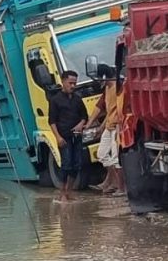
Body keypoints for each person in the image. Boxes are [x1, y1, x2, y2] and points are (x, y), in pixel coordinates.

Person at [48, 70, 88, 203]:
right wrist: (58, 137)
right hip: (64, 137)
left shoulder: (77, 99)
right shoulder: (55, 100)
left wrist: (81, 125)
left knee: (77, 165)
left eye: (75, 83)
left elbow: (84, 116)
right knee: (66, 165)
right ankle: (62, 192)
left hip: (77, 136)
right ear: (63, 81)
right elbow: (52, 121)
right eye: (70, 83)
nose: (73, 86)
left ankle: (69, 191)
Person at [85, 65, 125, 196]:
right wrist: (101, 128)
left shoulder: (119, 88)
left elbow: (117, 110)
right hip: (109, 126)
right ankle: (113, 182)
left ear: (104, 77)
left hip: (117, 126)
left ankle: (121, 188)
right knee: (102, 154)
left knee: (115, 158)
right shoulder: (107, 89)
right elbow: (108, 111)